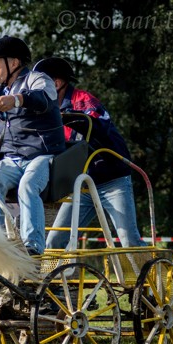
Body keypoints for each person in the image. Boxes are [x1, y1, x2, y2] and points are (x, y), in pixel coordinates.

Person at [35, 57, 145, 250]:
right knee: (55, 242)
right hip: (82, 186)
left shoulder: (83, 100)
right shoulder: (45, 112)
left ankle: (159, 276)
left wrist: (68, 118)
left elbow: (98, 124)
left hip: (113, 181)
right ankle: (55, 280)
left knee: (129, 242)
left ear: (57, 83)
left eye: (40, 83)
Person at [0, 36, 66, 256]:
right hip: (12, 160)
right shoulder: (1, 94)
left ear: (14, 63)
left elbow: (44, 100)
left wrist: (18, 100)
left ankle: (33, 246)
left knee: (27, 185)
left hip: (43, 156)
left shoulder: (39, 79)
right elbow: (2, 129)